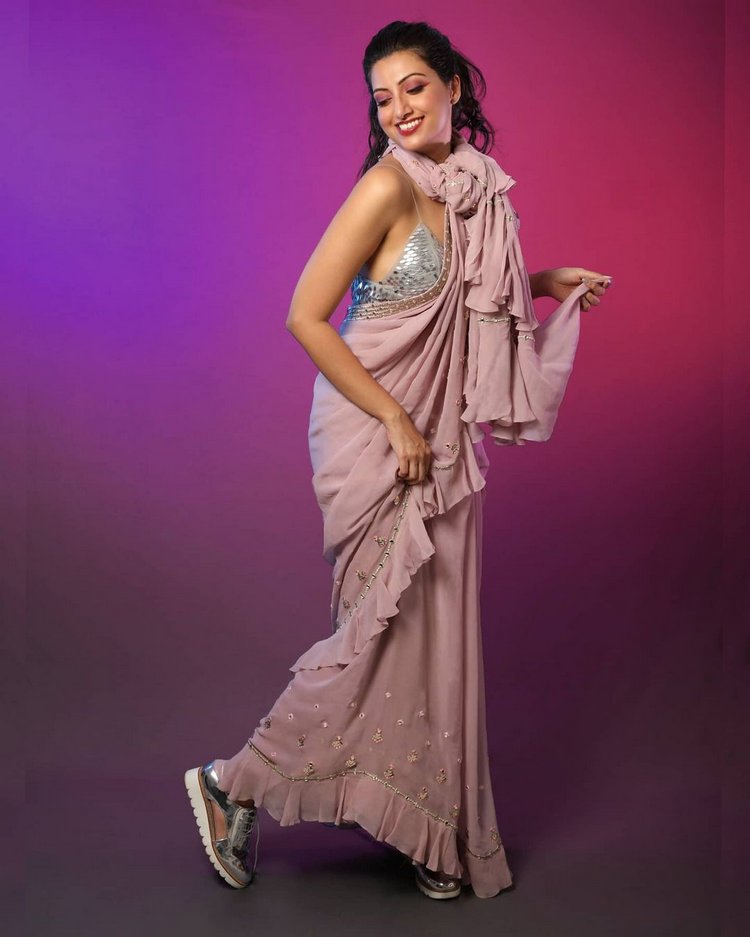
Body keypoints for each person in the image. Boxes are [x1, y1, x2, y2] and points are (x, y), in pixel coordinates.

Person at [184, 20, 612, 901]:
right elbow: (306, 315)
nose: (399, 109)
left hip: (442, 432)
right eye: (383, 98)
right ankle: (231, 783)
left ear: (454, 85)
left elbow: (469, 294)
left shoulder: (478, 186)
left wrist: (544, 282)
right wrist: (395, 420)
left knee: (434, 633)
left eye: (414, 87)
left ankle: (427, 823)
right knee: (377, 636)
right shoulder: (386, 186)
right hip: (378, 428)